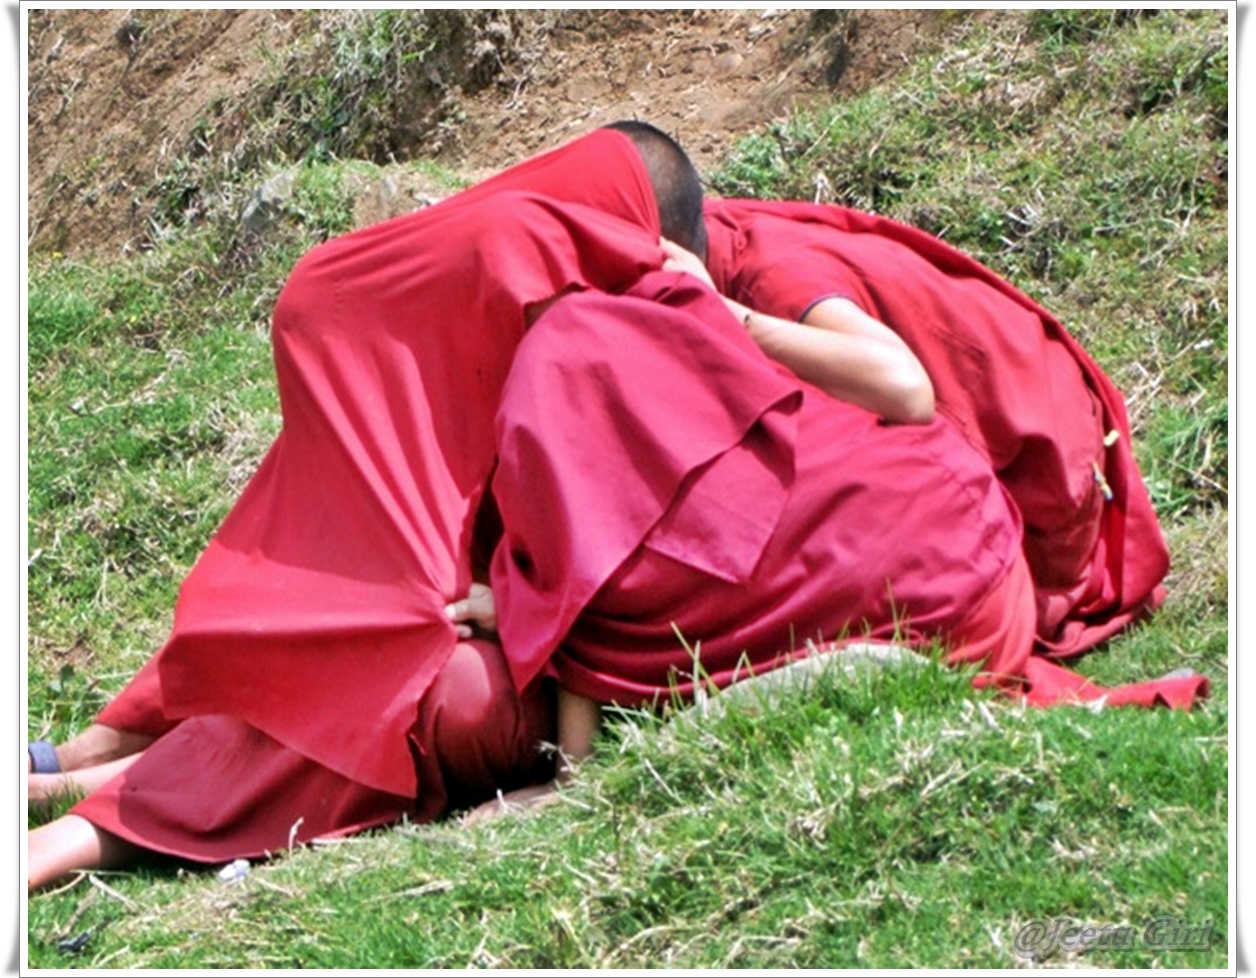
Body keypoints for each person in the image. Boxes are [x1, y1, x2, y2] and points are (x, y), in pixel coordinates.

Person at [27, 121, 708, 889]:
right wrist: (571, 764)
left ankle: (80, 782)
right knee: (428, 682)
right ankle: (87, 804)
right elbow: (590, 556)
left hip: (349, 627)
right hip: (432, 665)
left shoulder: (418, 270)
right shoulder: (566, 313)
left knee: (308, 629)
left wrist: (512, 600)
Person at [701, 198, 1171, 658]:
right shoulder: (716, 233)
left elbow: (904, 388)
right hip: (1050, 438)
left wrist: (732, 318)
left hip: (1049, 490)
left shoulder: (767, 282)